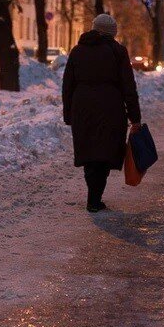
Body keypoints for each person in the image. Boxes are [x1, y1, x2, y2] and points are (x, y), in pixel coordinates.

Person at [62, 13, 142, 213]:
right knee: (105, 151)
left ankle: (93, 197)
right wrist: (135, 117)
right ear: (112, 33)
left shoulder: (78, 51)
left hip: (82, 107)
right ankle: (95, 198)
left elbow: (67, 85)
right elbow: (128, 86)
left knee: (89, 151)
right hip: (110, 107)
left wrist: (68, 113)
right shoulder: (118, 51)